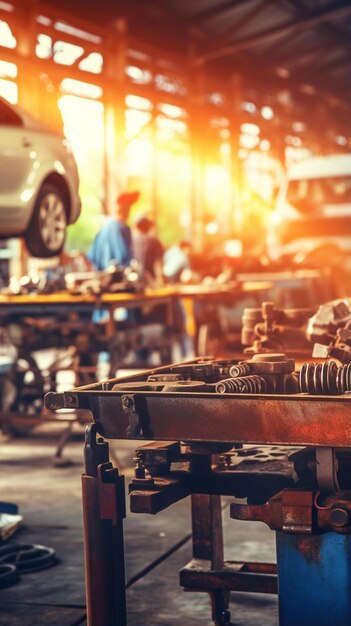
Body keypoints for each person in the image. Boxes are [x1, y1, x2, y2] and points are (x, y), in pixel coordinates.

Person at [88, 191, 140, 271]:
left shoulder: (104, 226)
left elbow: (92, 256)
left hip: (101, 276)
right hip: (117, 276)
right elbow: (124, 257)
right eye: (128, 206)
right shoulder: (121, 228)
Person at [133, 215, 164, 287]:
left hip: (135, 281)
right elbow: (158, 262)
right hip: (150, 281)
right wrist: (160, 279)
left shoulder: (132, 241)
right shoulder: (154, 241)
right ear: (148, 226)